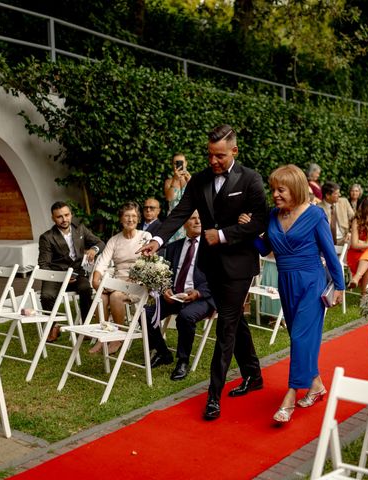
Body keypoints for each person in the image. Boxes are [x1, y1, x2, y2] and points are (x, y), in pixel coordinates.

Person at [137, 124, 268, 421]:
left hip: (238, 266)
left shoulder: (250, 179)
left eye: (219, 156)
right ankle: (253, 374)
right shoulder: (199, 180)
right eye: (209, 155)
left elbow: (260, 220)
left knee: (226, 328)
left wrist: (222, 235)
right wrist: (156, 241)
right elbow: (180, 212)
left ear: (234, 151)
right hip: (210, 266)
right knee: (234, 319)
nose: (213, 161)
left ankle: (213, 397)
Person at [244, 165, 344, 423]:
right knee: (299, 337)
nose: (275, 194)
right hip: (286, 281)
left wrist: (340, 286)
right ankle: (317, 386)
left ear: (296, 189)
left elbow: (330, 253)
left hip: (312, 282)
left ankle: (290, 397)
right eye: (273, 189)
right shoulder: (273, 215)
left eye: (281, 189)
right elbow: (265, 249)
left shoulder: (315, 215)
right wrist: (250, 232)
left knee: (300, 337)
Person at [143, 210, 216, 381]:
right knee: (145, 313)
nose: (197, 221)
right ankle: (163, 353)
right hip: (175, 295)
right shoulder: (174, 246)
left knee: (185, 316)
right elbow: (167, 273)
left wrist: (198, 293)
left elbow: (219, 278)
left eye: (200, 218)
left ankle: (182, 361)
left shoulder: (212, 247)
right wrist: (166, 288)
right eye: (192, 218)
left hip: (203, 297)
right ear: (184, 223)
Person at [38, 201, 105, 342]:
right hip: (56, 275)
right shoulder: (47, 237)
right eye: (59, 217)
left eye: (66, 215)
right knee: (46, 295)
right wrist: (61, 278)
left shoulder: (80, 229)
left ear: (71, 214)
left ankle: (86, 326)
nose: (64, 219)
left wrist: (94, 249)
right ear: (53, 218)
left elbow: (100, 243)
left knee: (86, 288)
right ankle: (53, 326)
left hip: (77, 273)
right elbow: (44, 264)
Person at [91, 202, 151, 354]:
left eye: (134, 216)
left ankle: (118, 338)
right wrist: (95, 279)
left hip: (138, 283)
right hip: (118, 282)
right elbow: (102, 263)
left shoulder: (145, 236)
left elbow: (147, 264)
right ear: (120, 219)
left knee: (116, 296)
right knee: (101, 297)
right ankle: (103, 336)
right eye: (126, 216)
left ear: (138, 219)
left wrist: (127, 282)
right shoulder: (114, 240)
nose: (130, 219)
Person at [346, 196, 368, 294]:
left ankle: (356, 278)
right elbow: (354, 244)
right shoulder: (356, 220)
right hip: (356, 253)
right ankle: (364, 295)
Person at [164, 153, 191, 242]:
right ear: (173, 165)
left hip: (188, 218)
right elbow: (169, 198)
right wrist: (175, 179)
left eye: (181, 162)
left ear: (186, 163)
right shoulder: (169, 181)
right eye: (176, 163)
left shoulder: (191, 179)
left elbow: (197, 197)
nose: (179, 165)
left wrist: (190, 181)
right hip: (173, 218)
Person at [317, 181, 354, 246]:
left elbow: (354, 219)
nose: (339, 195)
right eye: (336, 193)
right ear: (327, 196)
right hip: (326, 242)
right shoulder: (318, 208)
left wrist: (351, 232)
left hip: (345, 239)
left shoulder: (344, 202)